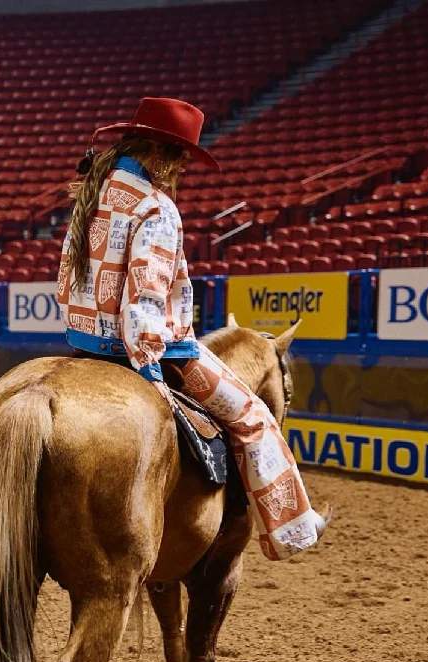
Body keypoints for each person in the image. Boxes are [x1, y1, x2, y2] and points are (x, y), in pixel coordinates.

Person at [56, 97, 331, 560]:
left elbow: (70, 281)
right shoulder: (156, 207)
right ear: (163, 154)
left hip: (85, 345)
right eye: (182, 158)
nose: (182, 169)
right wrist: (149, 370)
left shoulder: (95, 193)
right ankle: (292, 531)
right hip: (158, 350)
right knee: (253, 418)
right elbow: (145, 293)